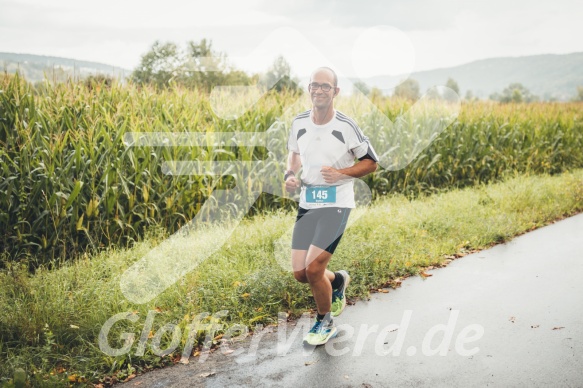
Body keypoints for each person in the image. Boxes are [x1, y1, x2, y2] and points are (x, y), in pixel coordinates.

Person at [285, 67, 379, 346]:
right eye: (315, 85)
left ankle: (324, 322)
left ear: (335, 92)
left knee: (314, 270)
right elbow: (294, 154)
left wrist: (342, 174)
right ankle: (337, 281)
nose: (319, 90)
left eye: (326, 86)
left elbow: (371, 162)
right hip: (308, 202)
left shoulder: (346, 126)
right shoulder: (299, 122)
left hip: (336, 203)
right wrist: (290, 175)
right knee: (301, 273)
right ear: (309, 89)